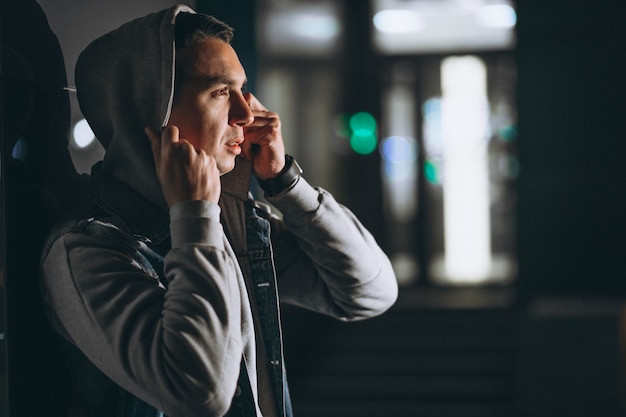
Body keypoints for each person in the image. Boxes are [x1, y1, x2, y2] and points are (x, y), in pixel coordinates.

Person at [40, 5, 397, 417]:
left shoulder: (229, 225)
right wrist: (193, 215)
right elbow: (200, 393)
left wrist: (285, 183)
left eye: (243, 90)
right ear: (150, 107)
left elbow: (369, 293)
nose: (248, 115)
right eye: (221, 92)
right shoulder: (86, 251)